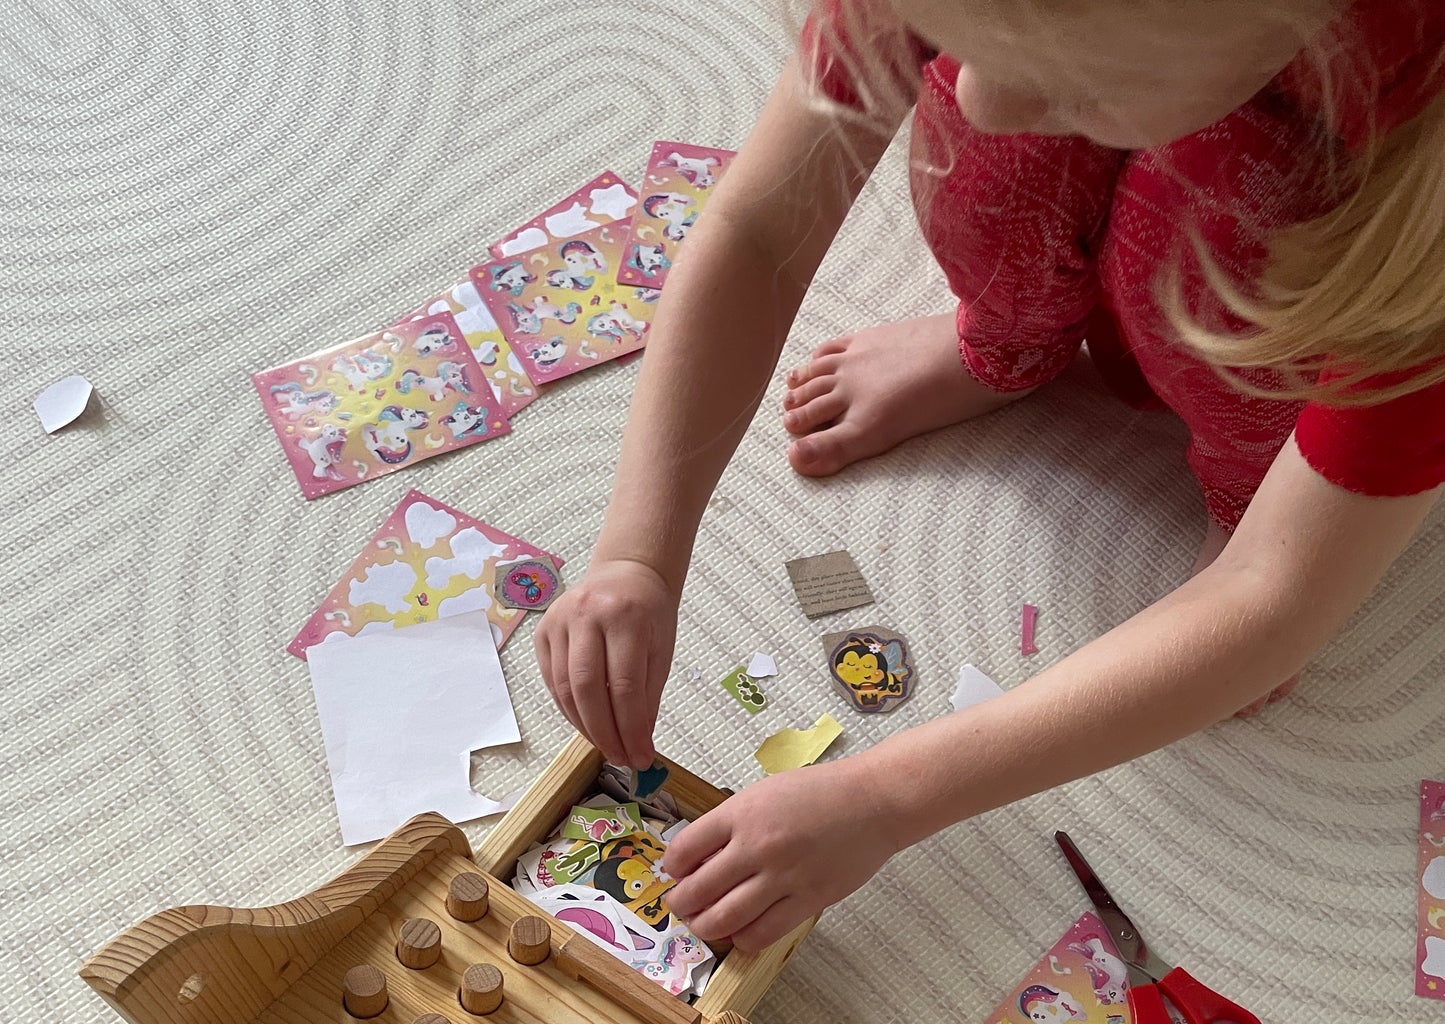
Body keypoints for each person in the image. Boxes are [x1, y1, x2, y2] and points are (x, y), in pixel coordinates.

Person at [535, 0, 1445, 954]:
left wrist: (884, 798)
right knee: (990, 119)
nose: (975, 98)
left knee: (1234, 210)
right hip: (1235, 98)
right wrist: (635, 552)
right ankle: (1008, 341)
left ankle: (1253, 487)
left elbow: (1272, 596)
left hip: (1329, 253)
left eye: (1078, 83)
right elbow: (759, 231)